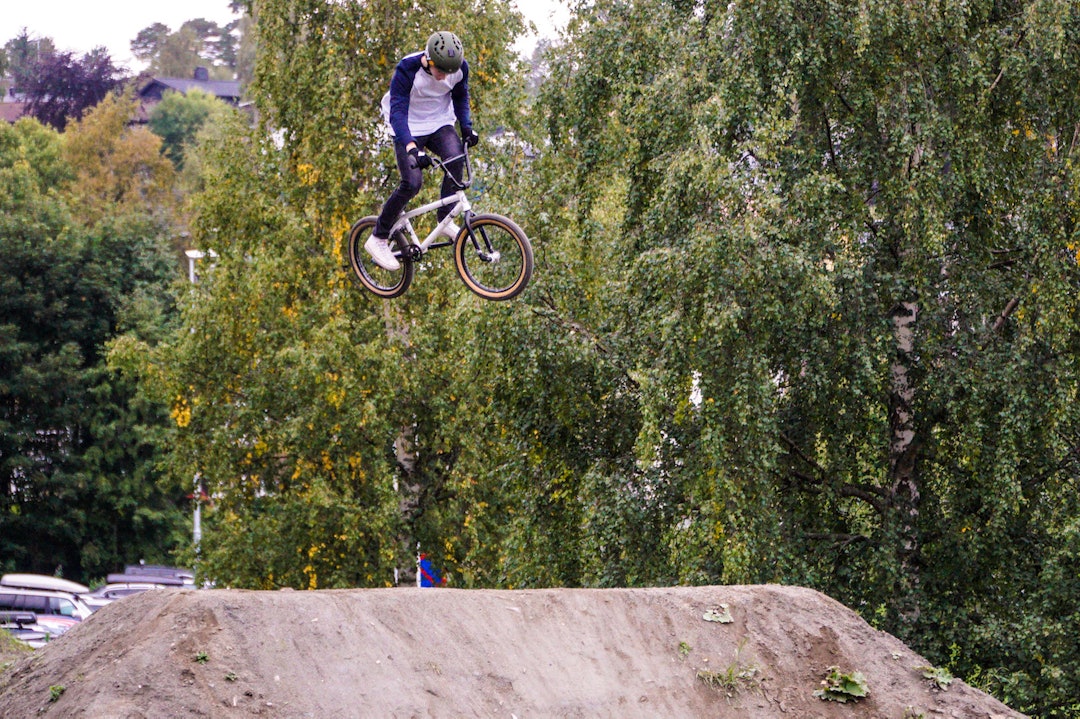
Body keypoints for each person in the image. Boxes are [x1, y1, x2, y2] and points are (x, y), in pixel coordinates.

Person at [366, 31, 479, 271]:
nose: (444, 78)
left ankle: (445, 218)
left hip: (439, 122)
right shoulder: (407, 69)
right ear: (428, 59)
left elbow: (460, 97)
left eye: (449, 73)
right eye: (440, 71)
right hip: (407, 126)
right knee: (412, 183)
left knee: (455, 157)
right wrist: (411, 148)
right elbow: (397, 112)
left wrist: (467, 127)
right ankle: (378, 237)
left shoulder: (459, 68)